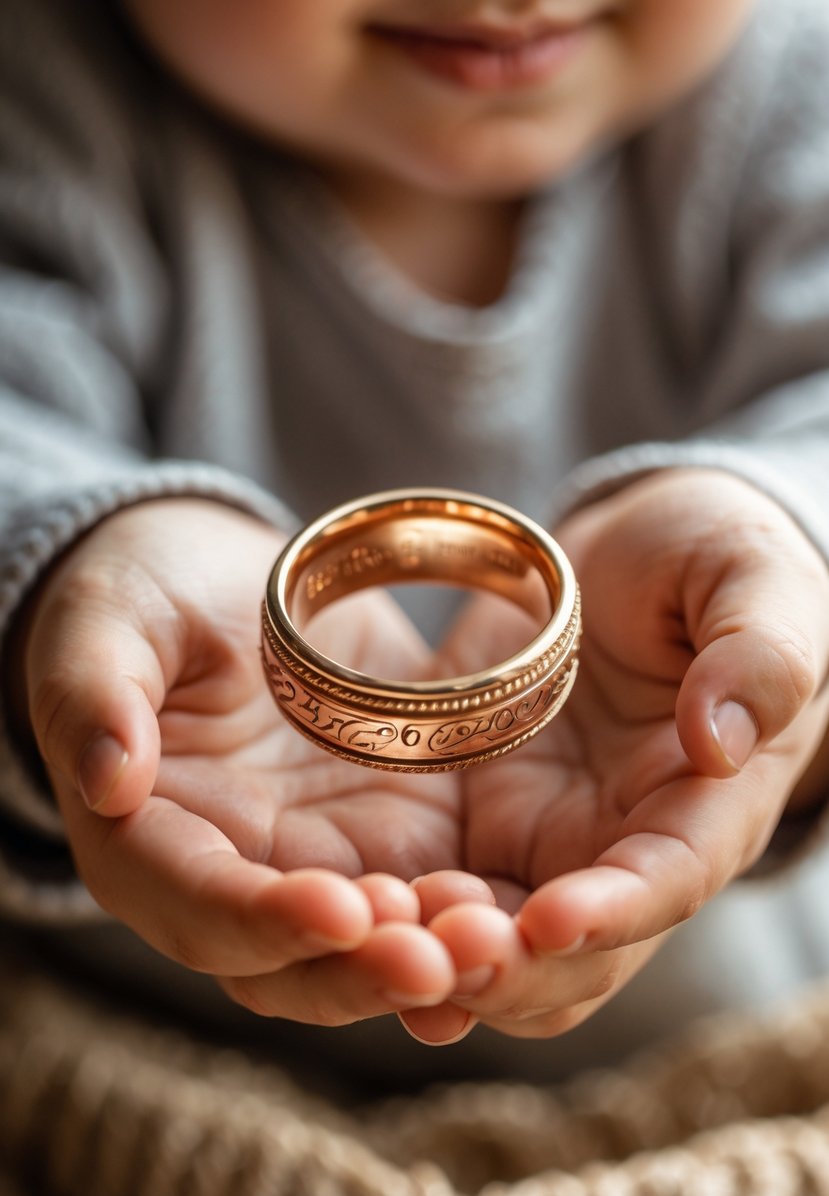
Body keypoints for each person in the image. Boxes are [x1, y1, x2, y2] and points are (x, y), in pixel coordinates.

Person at [1, 0, 828, 1084]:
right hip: (124, 1065)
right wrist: (69, 580)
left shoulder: (793, 93)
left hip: (729, 1051)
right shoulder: (39, 99)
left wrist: (778, 548)